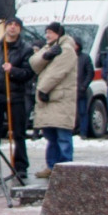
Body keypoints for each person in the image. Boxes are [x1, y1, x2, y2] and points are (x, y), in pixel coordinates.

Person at [0, 19, 32, 184]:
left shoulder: (26, 49)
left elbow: (29, 73)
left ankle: (20, 166)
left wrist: (13, 71)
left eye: (16, 25)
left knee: (18, 133)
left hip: (16, 95)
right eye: (10, 25)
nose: (12, 27)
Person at [30, 22, 78, 179]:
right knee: (51, 137)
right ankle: (51, 165)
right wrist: (46, 55)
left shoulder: (67, 50)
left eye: (50, 32)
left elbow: (57, 72)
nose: (47, 35)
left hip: (60, 98)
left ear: (59, 33)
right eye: (46, 32)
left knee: (63, 136)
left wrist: (42, 88)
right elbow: (34, 63)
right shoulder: (49, 47)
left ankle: (66, 167)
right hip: (48, 100)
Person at [75, 38, 96, 138]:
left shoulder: (85, 58)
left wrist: (84, 85)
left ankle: (83, 132)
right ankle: (74, 130)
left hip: (81, 90)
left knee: (83, 112)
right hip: (70, 90)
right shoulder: (68, 57)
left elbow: (90, 73)